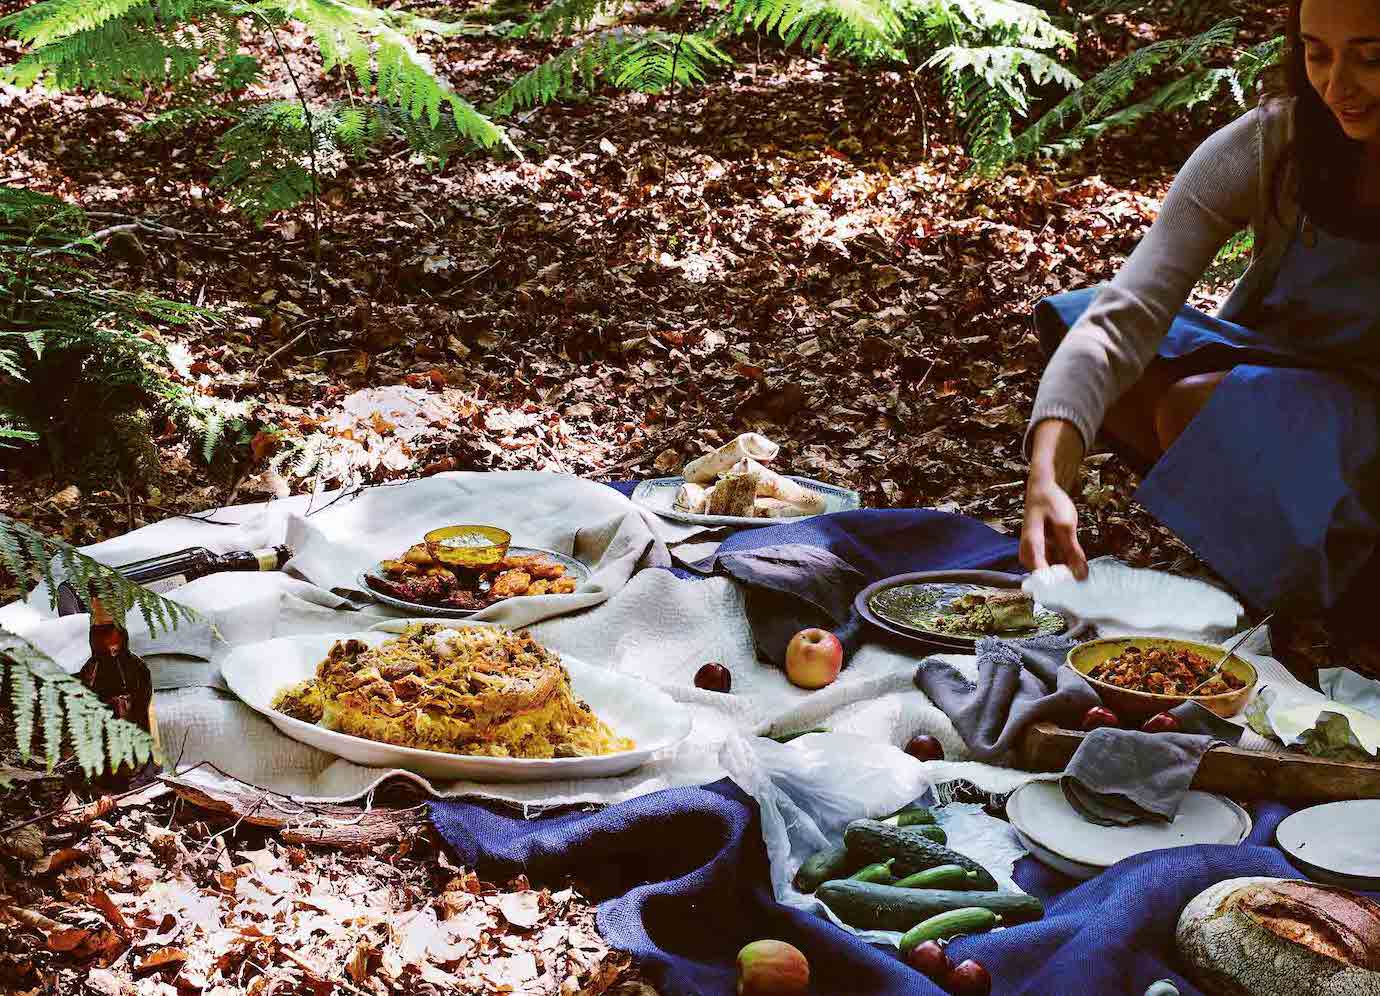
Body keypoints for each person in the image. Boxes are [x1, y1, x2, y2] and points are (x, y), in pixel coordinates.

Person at [1020, 0, 1380, 619]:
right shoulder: (1273, 142)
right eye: (1316, 53)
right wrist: (1047, 471)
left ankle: (1348, 586)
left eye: (1371, 58)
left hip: (1360, 417)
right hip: (1278, 377)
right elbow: (1127, 309)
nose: (1336, 86)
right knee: (1086, 337)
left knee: (1204, 404)